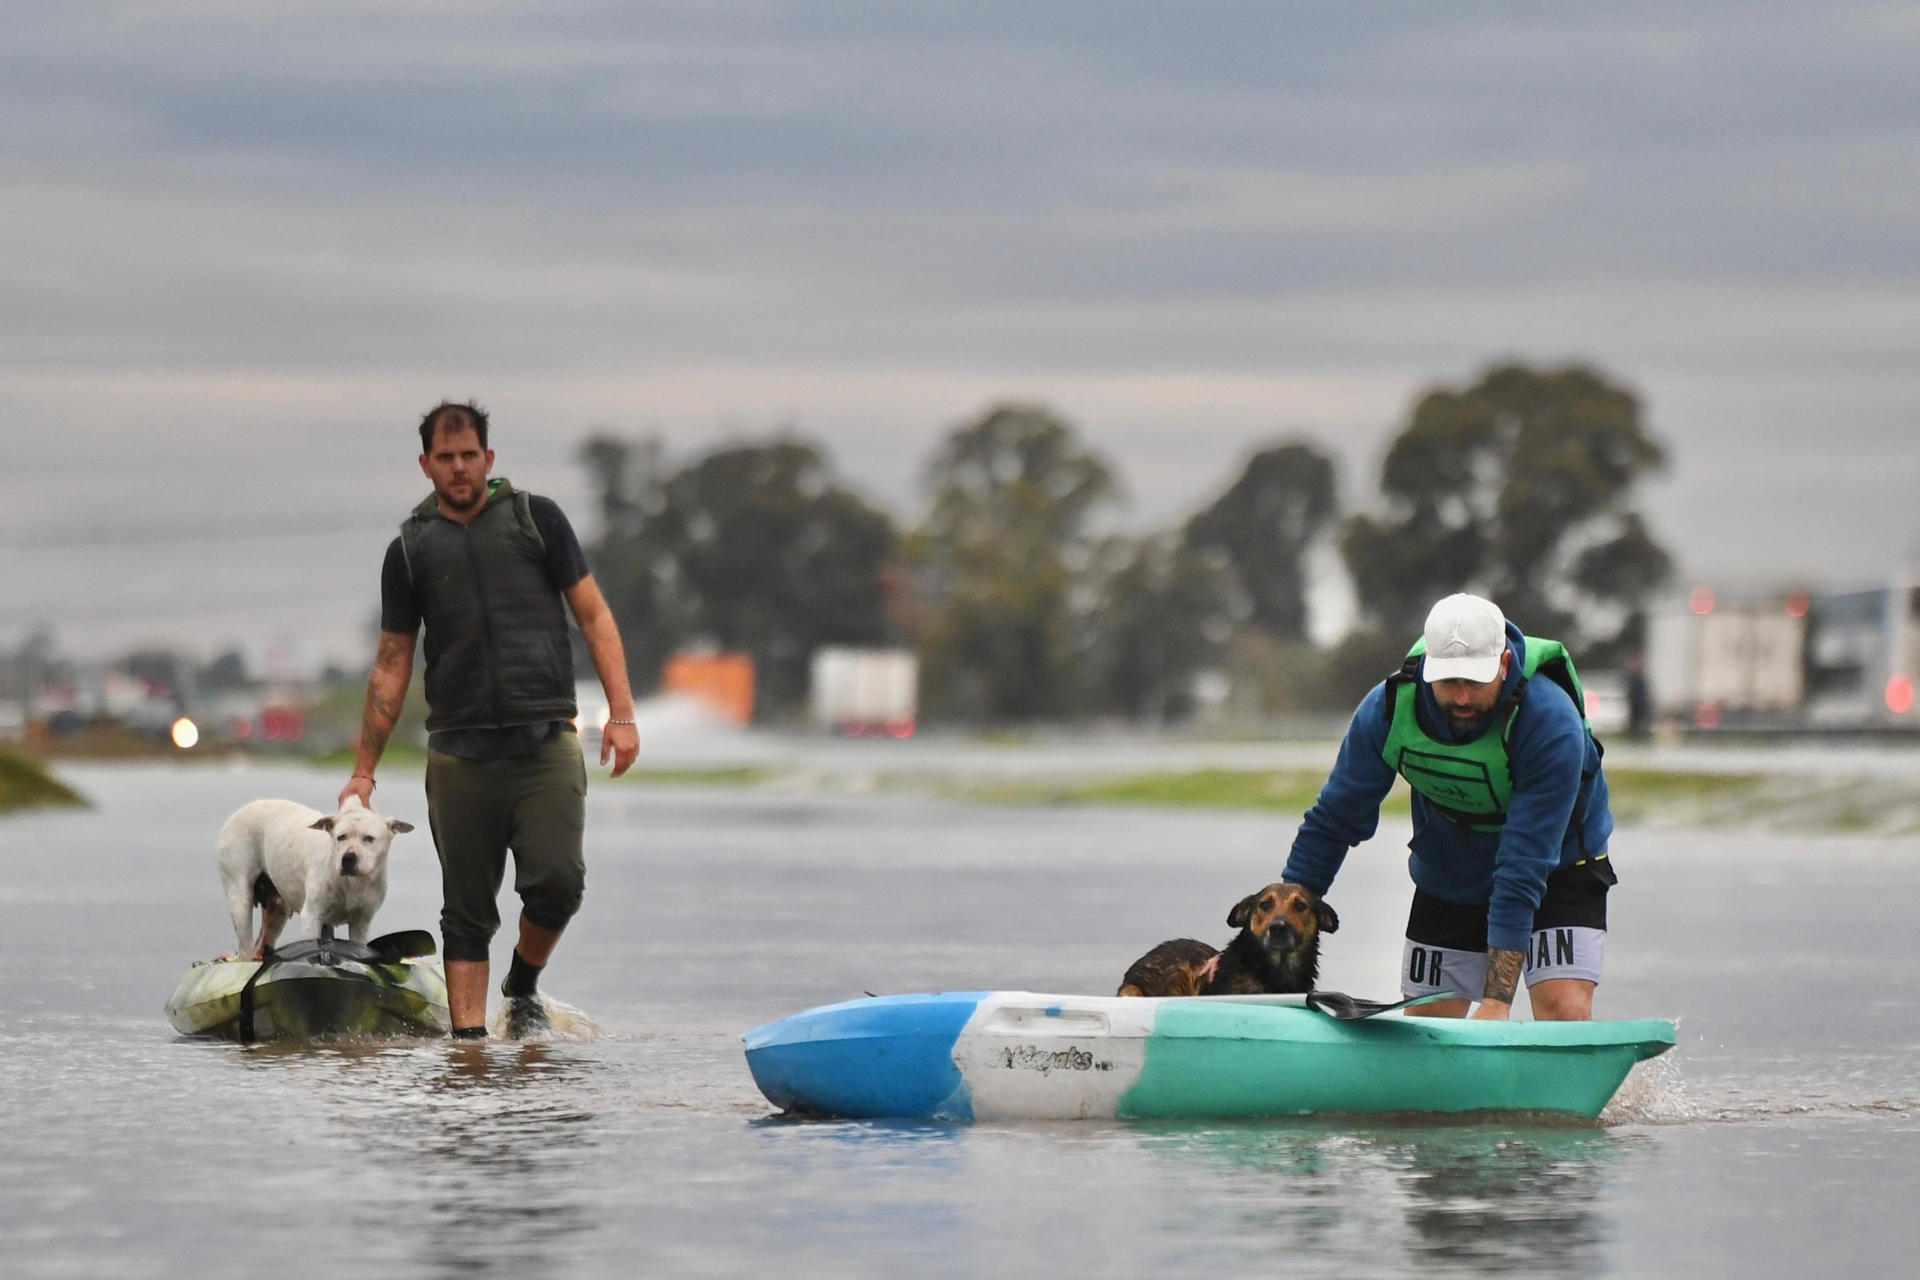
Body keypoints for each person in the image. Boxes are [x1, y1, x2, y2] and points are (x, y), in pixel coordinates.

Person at [340, 400, 640, 1039]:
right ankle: (469, 1053)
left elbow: (593, 615)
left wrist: (622, 713)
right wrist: (363, 772)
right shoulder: (410, 549)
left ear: (488, 459)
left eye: (468, 455)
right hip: (458, 752)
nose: (457, 468)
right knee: (466, 915)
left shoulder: (537, 521)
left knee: (558, 883)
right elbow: (392, 661)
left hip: (545, 741)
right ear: (425, 465)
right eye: (444, 458)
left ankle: (523, 984)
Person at [1280, 593, 1614, 1021]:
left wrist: (1497, 1002)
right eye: (1448, 680)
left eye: (1474, 681)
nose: (1461, 697)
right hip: (1452, 866)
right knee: (1431, 1021)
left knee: (1562, 1008)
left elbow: (1523, 865)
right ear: (1426, 670)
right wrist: (1284, 924)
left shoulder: (1549, 722)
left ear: (1505, 664)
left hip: (1561, 864)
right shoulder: (1385, 711)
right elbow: (1333, 820)